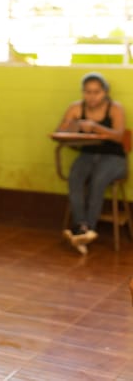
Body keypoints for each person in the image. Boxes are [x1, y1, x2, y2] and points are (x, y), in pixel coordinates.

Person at [56, 72, 126, 255]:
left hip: (114, 158)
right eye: (87, 92)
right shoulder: (76, 108)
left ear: (105, 92)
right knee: (75, 178)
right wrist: (75, 125)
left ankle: (88, 229)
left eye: (96, 92)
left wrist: (95, 126)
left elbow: (119, 136)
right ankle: (81, 226)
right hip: (87, 155)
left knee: (98, 181)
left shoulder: (115, 108)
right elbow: (61, 131)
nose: (92, 96)